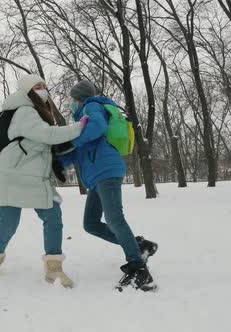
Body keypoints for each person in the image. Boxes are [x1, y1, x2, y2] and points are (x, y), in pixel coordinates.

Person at [0, 74, 87, 288]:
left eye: (43, 85)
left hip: (31, 177)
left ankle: (54, 269)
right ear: (27, 91)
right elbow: (48, 135)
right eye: (37, 86)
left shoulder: (38, 112)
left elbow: (45, 143)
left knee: (52, 215)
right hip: (14, 175)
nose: (42, 89)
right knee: (9, 223)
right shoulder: (25, 111)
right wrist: (79, 126)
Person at [59, 80, 158, 291]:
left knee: (114, 218)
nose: (71, 103)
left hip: (106, 170)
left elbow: (98, 126)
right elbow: (78, 152)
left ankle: (138, 268)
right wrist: (55, 160)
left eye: (72, 100)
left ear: (78, 98)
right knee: (91, 224)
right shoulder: (82, 121)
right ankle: (139, 246)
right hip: (97, 176)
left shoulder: (91, 106)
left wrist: (73, 141)